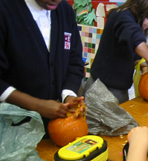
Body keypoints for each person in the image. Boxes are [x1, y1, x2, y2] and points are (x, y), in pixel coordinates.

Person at [0, 0, 85, 131]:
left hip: (55, 128)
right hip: (12, 130)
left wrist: (68, 95)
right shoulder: (5, 10)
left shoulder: (65, 11)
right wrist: (37, 106)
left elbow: (74, 61)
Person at [87, 0, 148, 104]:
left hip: (115, 88)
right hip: (103, 90)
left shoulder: (129, 18)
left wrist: (143, 66)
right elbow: (135, 39)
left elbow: (131, 50)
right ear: (137, 6)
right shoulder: (123, 17)